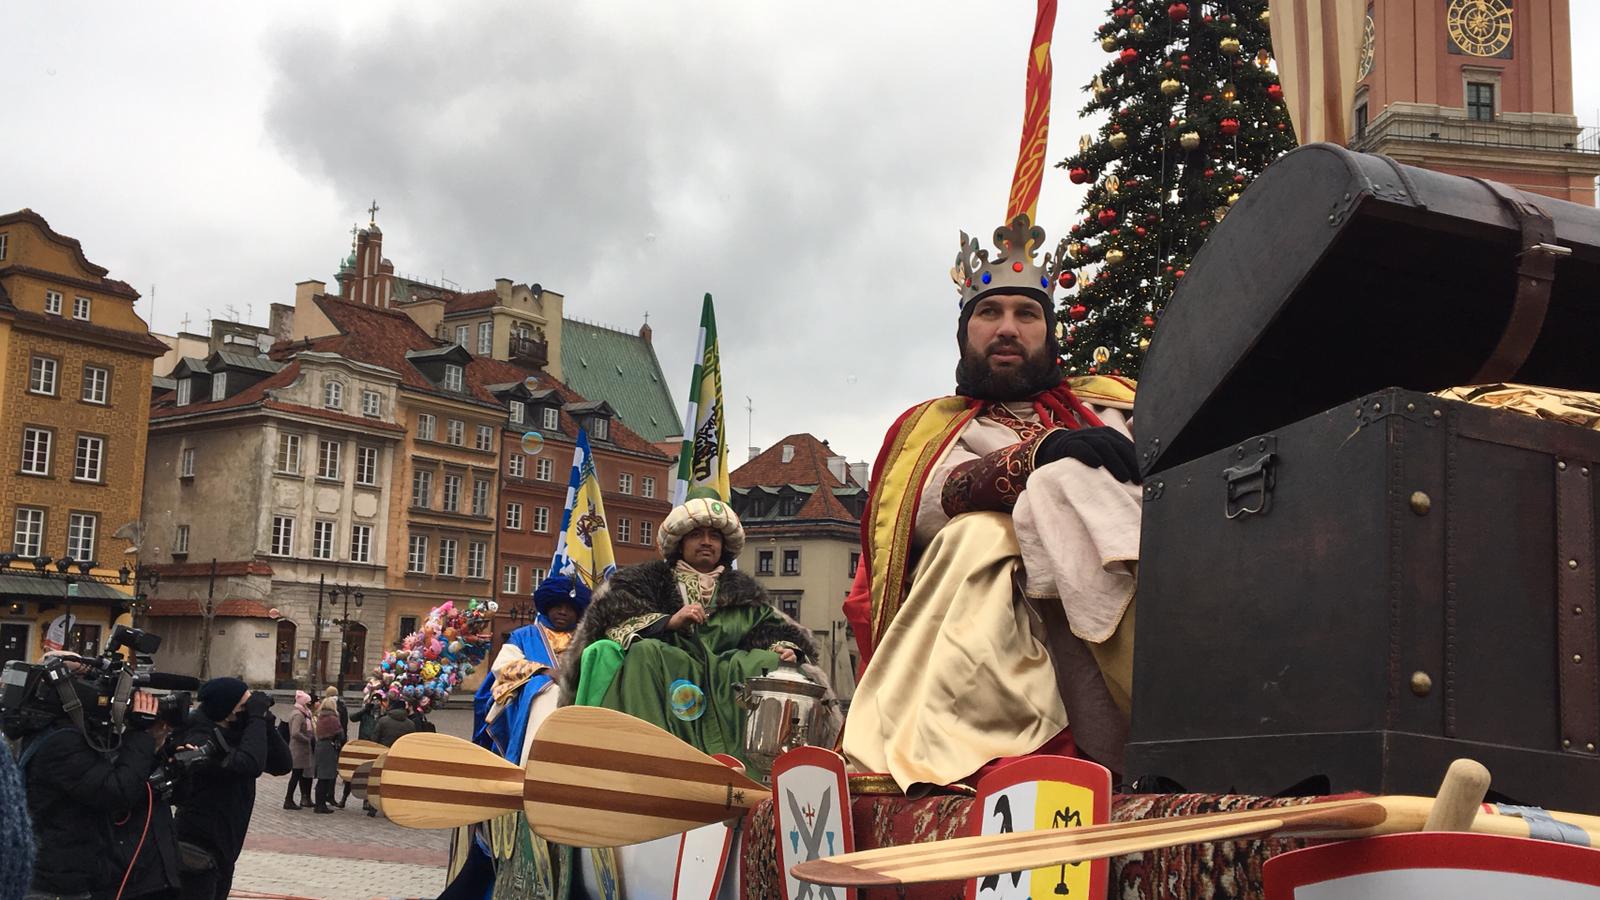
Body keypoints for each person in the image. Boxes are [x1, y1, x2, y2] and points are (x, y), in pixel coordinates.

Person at [840, 214, 1142, 793]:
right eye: (989, 313)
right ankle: (989, 746)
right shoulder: (929, 431)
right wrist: (1040, 458)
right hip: (1006, 615)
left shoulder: (1115, 408)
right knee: (980, 535)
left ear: (1051, 334)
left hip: (1137, 585)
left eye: (1026, 314)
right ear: (965, 334)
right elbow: (926, 508)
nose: (1008, 328)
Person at [561, 497, 825, 768]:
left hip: (725, 682)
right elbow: (614, 622)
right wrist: (669, 622)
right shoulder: (644, 583)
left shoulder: (745, 595)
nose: (707, 542)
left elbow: (772, 628)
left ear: (724, 546)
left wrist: (783, 648)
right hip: (670, 672)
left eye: (714, 536)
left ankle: (751, 766)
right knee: (644, 651)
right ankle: (650, 756)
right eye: (696, 534)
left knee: (767, 664)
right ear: (680, 543)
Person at [446, 575, 593, 900]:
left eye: (570, 608)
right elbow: (503, 669)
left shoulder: (588, 640)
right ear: (546, 605)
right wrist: (542, 674)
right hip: (525, 726)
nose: (563, 613)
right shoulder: (525, 635)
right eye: (557, 606)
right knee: (541, 692)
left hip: (574, 725)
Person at [15, 657, 179, 899]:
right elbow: (117, 792)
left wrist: (152, 747)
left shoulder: (57, 732)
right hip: (55, 881)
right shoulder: (62, 742)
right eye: (86, 679)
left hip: (67, 871)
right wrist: (140, 735)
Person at [173, 677, 293, 900]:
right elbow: (250, 764)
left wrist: (264, 722)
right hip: (195, 849)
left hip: (224, 850)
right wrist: (256, 718)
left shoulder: (235, 733)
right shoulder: (199, 738)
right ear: (227, 710)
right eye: (244, 705)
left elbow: (282, 764)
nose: (249, 710)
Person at [310, 696, 343, 814]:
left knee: (321, 777)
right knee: (325, 778)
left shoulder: (321, 716)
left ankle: (320, 803)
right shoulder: (332, 718)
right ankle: (321, 805)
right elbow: (340, 733)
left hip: (320, 747)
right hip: (328, 747)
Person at [282, 690, 314, 810]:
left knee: (299, 775)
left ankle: (299, 798)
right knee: (295, 775)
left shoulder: (303, 714)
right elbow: (295, 732)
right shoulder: (299, 715)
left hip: (301, 750)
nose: (309, 704)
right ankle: (288, 799)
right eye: (308, 702)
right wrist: (307, 739)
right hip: (298, 750)